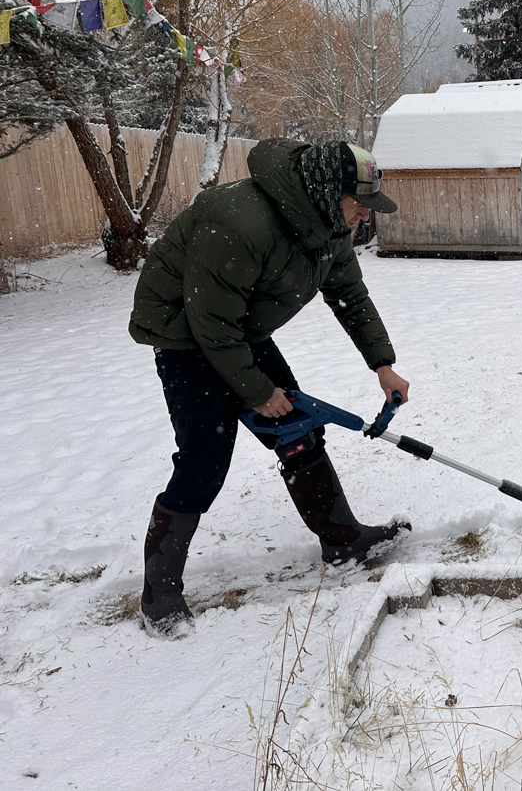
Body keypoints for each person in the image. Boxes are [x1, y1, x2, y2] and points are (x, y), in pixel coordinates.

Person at [128, 139, 409, 638]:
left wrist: (382, 364)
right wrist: (257, 390)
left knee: (297, 431)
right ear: (327, 193)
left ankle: (343, 540)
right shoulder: (239, 222)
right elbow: (210, 322)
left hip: (238, 329)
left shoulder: (329, 225)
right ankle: (160, 593)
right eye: (358, 204)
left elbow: (349, 294)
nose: (364, 216)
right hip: (183, 333)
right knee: (205, 456)